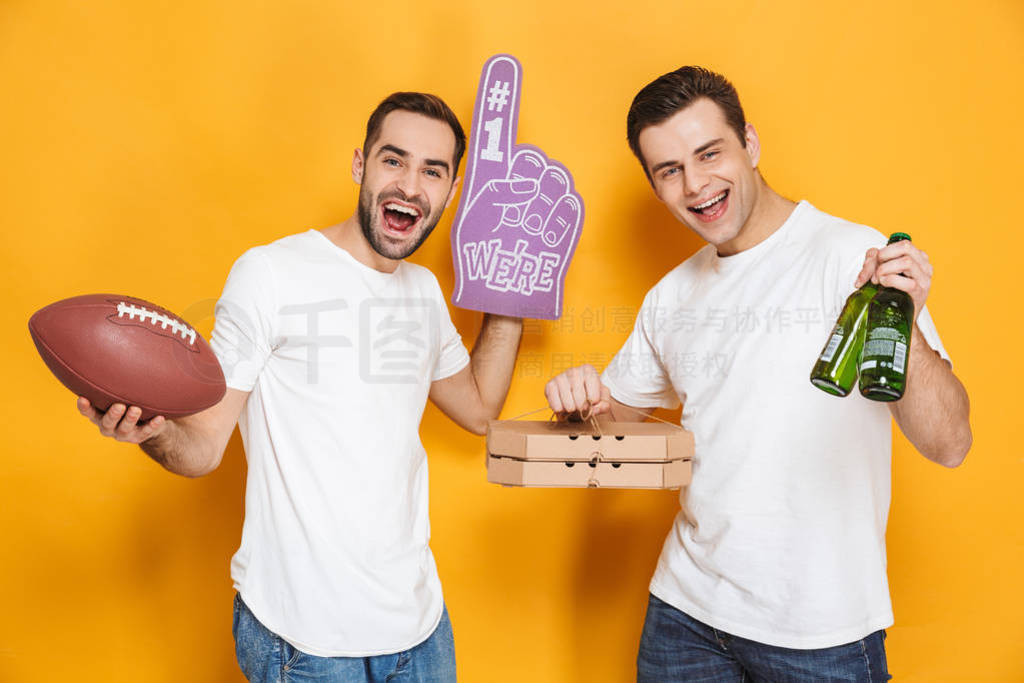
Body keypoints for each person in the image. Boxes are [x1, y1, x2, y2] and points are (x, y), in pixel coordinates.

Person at [544, 66, 971, 681]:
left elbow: (949, 443)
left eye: (709, 153)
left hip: (820, 633)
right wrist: (580, 399)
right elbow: (614, 422)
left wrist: (905, 316)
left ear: (750, 143)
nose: (695, 185)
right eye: (669, 171)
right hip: (683, 617)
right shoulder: (671, 296)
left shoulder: (854, 257)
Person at [78, 92, 523, 682]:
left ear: (450, 190)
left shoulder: (424, 292)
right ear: (360, 164)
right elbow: (203, 448)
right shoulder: (271, 275)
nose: (410, 185)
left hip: (420, 632)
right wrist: (148, 433)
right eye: (394, 160)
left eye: (432, 171)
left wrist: (512, 294)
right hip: (305, 644)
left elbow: (480, 409)